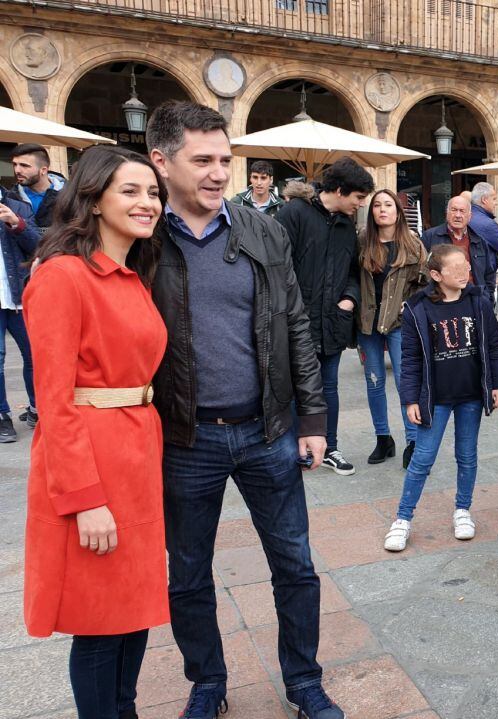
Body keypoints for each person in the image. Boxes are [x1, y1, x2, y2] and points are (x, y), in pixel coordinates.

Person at [146, 101, 343, 719]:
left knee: (296, 565)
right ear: (161, 161)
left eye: (225, 160)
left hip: (268, 430)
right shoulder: (140, 236)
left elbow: (294, 324)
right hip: (184, 438)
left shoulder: (261, 229)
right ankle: (207, 683)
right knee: (189, 575)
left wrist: (314, 418)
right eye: (201, 160)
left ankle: (303, 681)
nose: (217, 173)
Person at [23, 145, 168, 719]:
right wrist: (85, 500)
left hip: (136, 453)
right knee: (101, 623)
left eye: (152, 192)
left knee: (133, 609)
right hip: (93, 462)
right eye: (130, 191)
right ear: (93, 198)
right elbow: (53, 402)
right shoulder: (62, 276)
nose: (147, 202)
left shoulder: (132, 274)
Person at [384, 245, 498, 551]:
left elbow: (494, 345)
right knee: (422, 458)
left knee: (467, 455)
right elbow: (410, 359)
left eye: (465, 265)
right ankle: (402, 518)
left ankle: (463, 510)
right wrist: (410, 399)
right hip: (434, 398)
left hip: (470, 396)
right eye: (455, 269)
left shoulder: (478, 301)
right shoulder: (418, 307)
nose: (464, 271)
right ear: (436, 275)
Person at [276, 158, 373, 476]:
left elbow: (352, 272)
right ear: (341, 190)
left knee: (328, 386)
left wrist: (350, 298)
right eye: (358, 197)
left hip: (333, 321)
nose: (360, 205)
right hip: (297, 323)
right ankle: (293, 447)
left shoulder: (347, 226)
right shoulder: (294, 213)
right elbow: (278, 266)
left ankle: (330, 446)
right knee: (294, 386)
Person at [357, 189, 426, 468]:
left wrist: (409, 305)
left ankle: (412, 441)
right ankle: (383, 438)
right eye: (377, 205)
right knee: (374, 382)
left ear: (397, 211)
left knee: (404, 382)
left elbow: (426, 284)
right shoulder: (362, 241)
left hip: (400, 324)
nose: (382, 209)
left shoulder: (413, 244)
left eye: (388, 205)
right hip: (367, 323)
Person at [0, 184, 40, 441]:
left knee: (36, 355)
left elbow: (39, 245)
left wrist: (18, 224)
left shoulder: (17, 205)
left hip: (17, 296)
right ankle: (3, 415)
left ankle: (38, 407)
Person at [421, 195, 495, 302]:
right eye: (454, 210)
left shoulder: (479, 241)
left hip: (474, 300)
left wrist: (487, 298)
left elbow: (489, 274)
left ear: (469, 216)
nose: (458, 215)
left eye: (462, 211)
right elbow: (422, 271)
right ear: (447, 213)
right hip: (441, 300)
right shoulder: (430, 237)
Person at [10, 143, 65, 228]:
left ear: (43, 170)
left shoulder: (69, 194)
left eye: (24, 165)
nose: (17, 170)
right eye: (15, 164)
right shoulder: (11, 198)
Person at [469, 181, 498, 267]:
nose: (496, 203)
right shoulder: (488, 224)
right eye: (494, 199)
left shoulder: (468, 216)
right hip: (483, 275)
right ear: (484, 200)